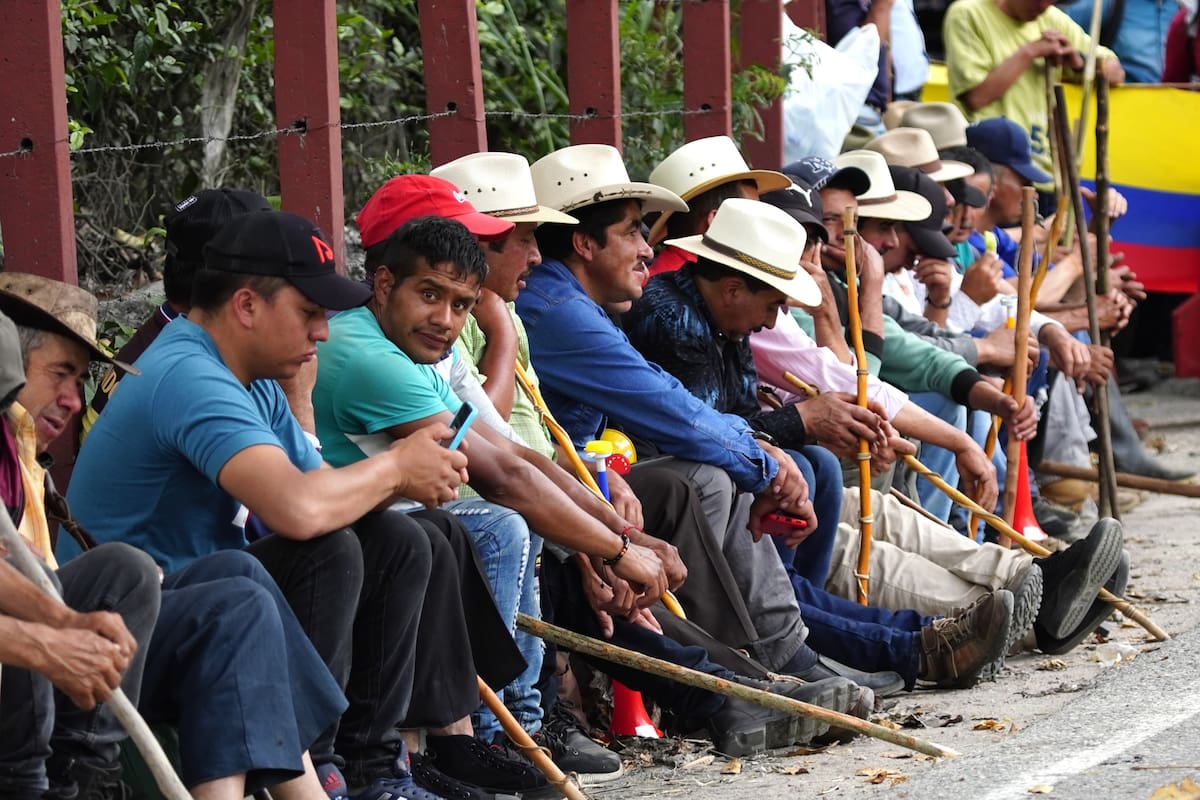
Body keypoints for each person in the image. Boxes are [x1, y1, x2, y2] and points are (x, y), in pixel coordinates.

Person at [66, 212, 542, 800]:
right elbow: (298, 511)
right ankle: (321, 766)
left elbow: (318, 488)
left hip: (209, 600)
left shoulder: (258, 375)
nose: (324, 331)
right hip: (133, 628)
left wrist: (401, 478)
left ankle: (373, 768)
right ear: (247, 306)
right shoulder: (188, 373)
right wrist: (395, 467)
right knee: (325, 550)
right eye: (310, 312)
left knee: (397, 541)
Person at [0, 276, 346, 800]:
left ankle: (311, 781)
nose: (74, 401)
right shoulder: (184, 373)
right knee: (213, 599)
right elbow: (297, 508)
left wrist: (65, 621)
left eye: (80, 380)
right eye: (60, 375)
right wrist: (53, 634)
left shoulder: (22, 453)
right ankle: (83, 780)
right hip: (32, 681)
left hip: (84, 649)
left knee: (237, 574)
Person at [943, 0, 1124, 194]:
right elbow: (977, 97)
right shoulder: (967, 13)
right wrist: (1030, 52)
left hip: (1044, 176)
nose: (1044, 5)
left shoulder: (1053, 18)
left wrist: (1079, 62)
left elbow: (1116, 73)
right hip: (991, 174)